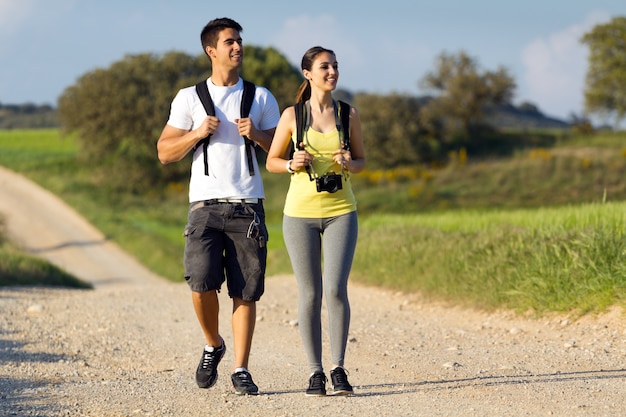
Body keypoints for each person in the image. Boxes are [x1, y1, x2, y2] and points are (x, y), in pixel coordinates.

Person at [156, 17, 280, 395]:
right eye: (230, 42)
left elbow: (281, 150)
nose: (237, 47)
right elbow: (164, 152)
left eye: (239, 41)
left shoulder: (260, 97)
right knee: (199, 282)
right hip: (204, 207)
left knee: (246, 290)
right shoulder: (188, 98)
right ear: (212, 51)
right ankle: (214, 343)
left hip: (247, 205)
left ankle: (241, 368)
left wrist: (256, 134)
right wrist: (196, 133)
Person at [265, 46, 365, 396]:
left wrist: (349, 162)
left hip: (342, 212)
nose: (332, 71)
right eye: (325, 66)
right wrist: (292, 163)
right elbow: (272, 162)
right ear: (308, 73)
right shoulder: (293, 115)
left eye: (335, 65)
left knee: (336, 290)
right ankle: (315, 373)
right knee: (310, 293)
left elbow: (363, 161)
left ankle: (339, 368)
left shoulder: (347, 114)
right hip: (299, 215)